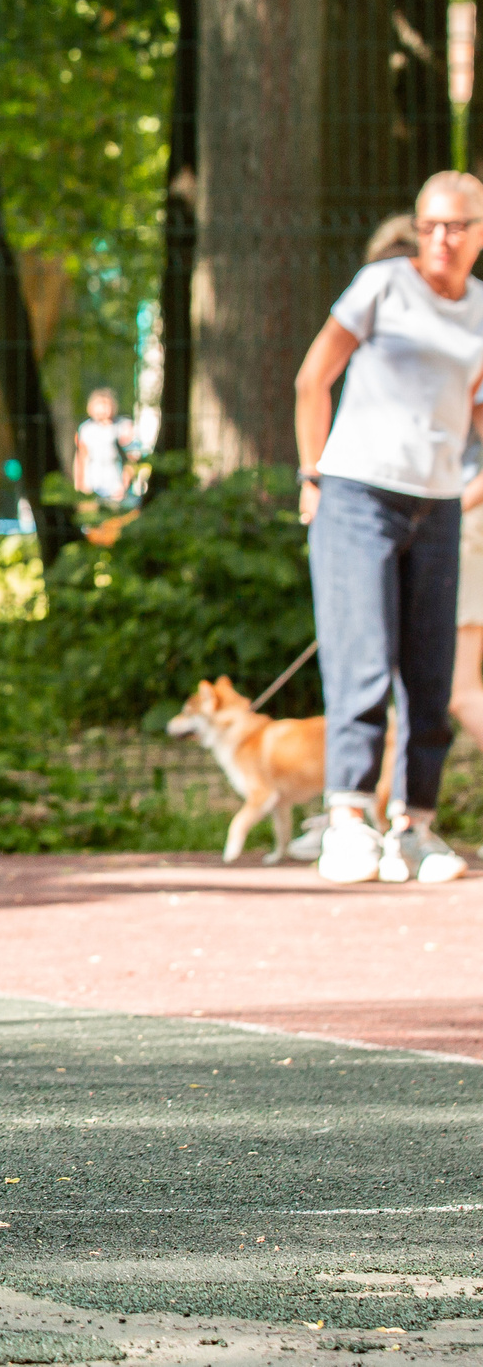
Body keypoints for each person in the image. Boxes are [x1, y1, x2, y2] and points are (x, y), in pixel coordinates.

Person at [294, 171, 483, 886]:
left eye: (459, 226)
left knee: (430, 671)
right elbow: (314, 379)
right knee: (362, 658)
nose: (443, 238)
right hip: (355, 493)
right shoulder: (381, 286)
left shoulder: (481, 311)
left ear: (479, 235)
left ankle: (415, 827)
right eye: (432, 224)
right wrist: (312, 475)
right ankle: (348, 819)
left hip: (435, 504)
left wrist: (467, 490)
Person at [73, 387, 134, 502]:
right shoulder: (85, 429)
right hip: (92, 483)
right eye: (99, 404)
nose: (102, 409)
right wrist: (79, 485)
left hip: (115, 483)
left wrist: (124, 485)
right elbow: (80, 457)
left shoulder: (121, 427)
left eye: (106, 404)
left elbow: (130, 459)